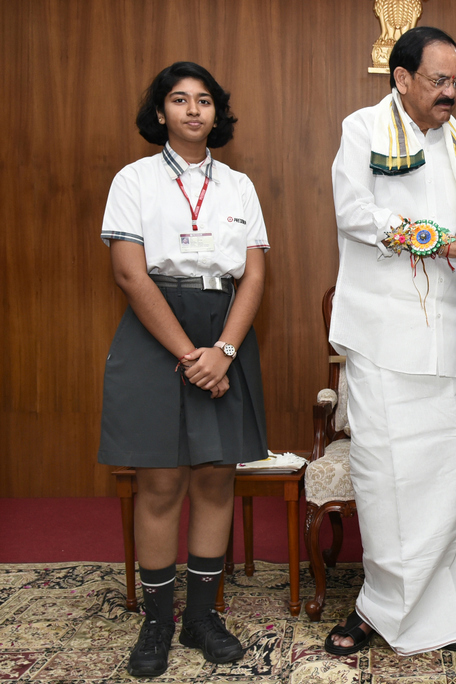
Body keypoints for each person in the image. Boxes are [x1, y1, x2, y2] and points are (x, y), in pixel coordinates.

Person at [325, 26, 456, 657]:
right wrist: (442, 240)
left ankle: (455, 610)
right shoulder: (362, 129)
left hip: (449, 335)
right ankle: (377, 608)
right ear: (402, 78)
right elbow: (354, 215)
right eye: (438, 81)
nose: (450, 93)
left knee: (448, 474)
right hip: (384, 338)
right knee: (388, 480)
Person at [98, 62, 270, 677]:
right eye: (179, 100)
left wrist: (221, 351)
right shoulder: (134, 179)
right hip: (156, 329)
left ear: (218, 114)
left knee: (215, 478)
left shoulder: (239, 186)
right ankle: (155, 623)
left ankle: (201, 617)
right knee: (162, 481)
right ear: (161, 112)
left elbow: (254, 274)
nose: (193, 110)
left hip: (224, 326)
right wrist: (186, 353)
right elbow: (128, 272)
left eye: (204, 101)